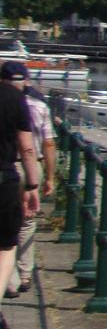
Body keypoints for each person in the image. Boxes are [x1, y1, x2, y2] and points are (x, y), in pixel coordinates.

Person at [0, 64, 43, 329]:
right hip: (3, 180)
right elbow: (27, 147)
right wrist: (32, 185)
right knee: (6, 246)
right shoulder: (15, 99)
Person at [4, 63, 56, 297]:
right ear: (26, 80)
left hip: (9, 165)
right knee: (25, 222)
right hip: (29, 167)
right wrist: (47, 178)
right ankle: (24, 273)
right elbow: (47, 144)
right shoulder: (38, 106)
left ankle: (11, 278)